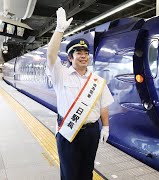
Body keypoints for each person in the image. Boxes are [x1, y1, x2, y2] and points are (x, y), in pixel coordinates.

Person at [46, 7, 114, 180]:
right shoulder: (60, 75)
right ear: (70, 57)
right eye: (78, 53)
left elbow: (103, 105)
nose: (83, 56)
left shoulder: (97, 81)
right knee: (70, 175)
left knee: (87, 173)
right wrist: (59, 29)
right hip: (68, 131)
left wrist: (105, 127)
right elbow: (51, 56)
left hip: (91, 132)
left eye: (86, 53)